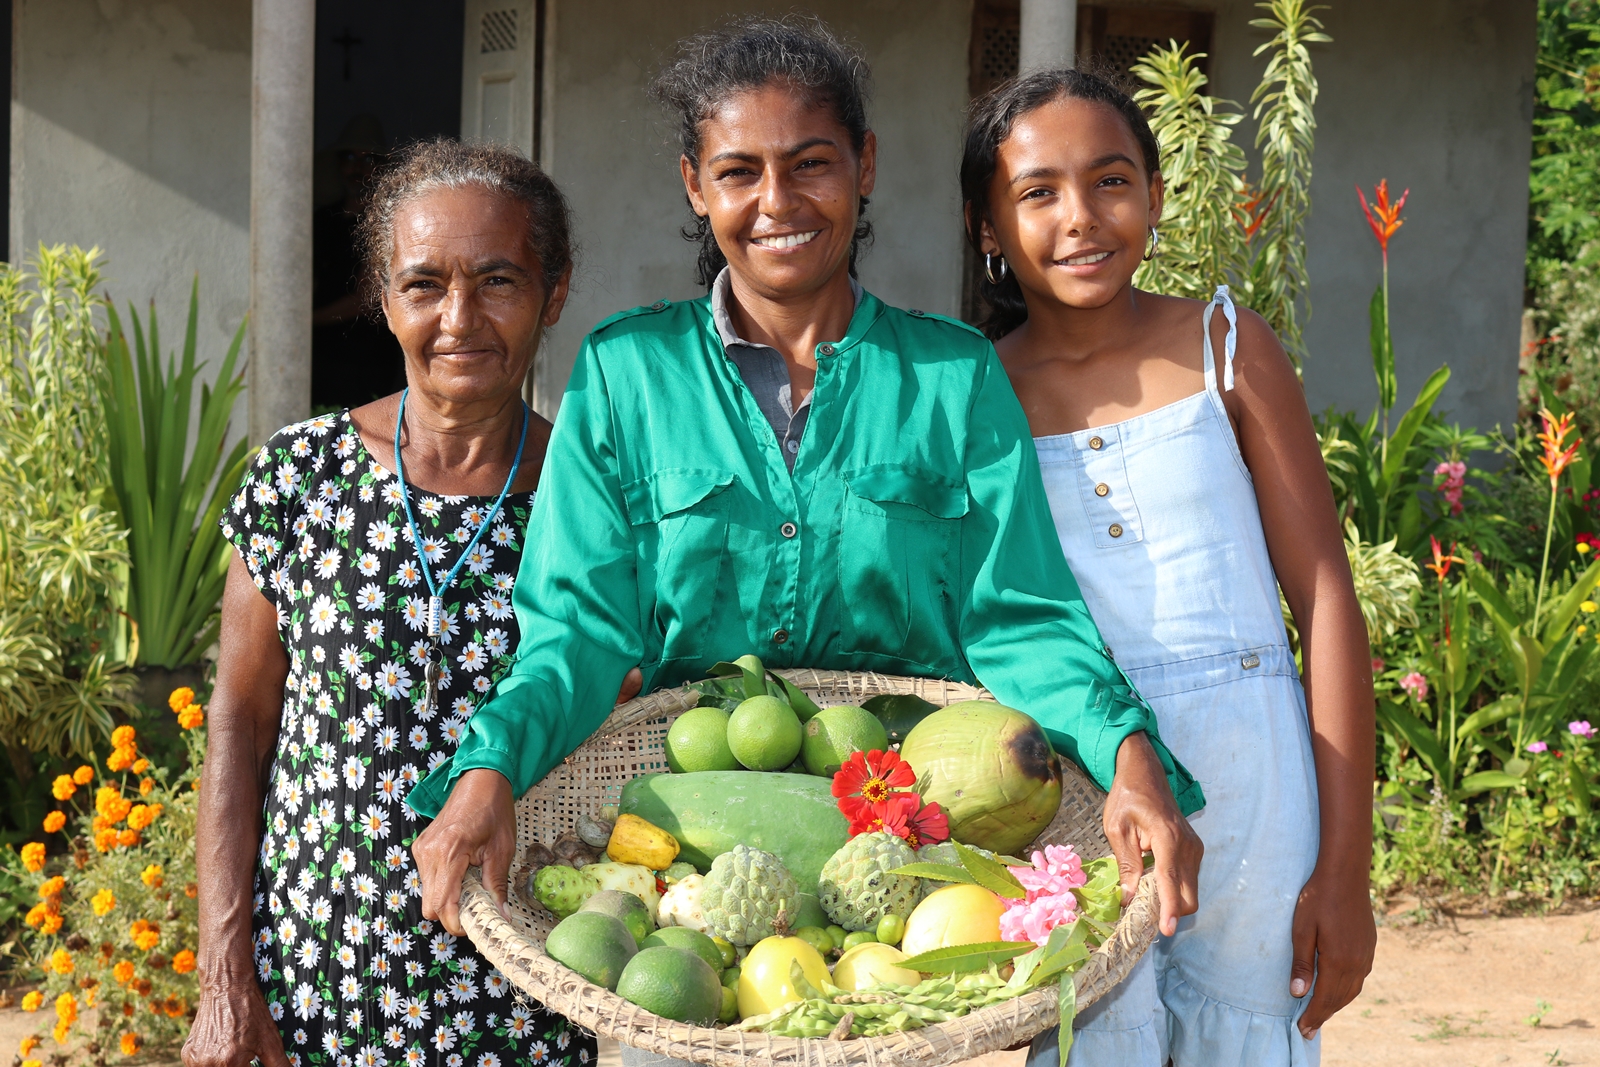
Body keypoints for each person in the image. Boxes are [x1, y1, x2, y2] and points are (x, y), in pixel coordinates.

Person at [409, 15, 1204, 1002]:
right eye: (738, 171)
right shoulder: (627, 372)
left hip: (911, 872)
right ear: (695, 186)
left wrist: (1128, 752)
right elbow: (573, 629)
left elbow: (1020, 615)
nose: (776, 202)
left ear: (864, 166)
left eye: (811, 163)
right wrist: (487, 769)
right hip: (689, 886)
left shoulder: (949, 376)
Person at [183, 141, 631, 1067]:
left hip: (524, 1002)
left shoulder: (596, 503)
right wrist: (225, 976)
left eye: (498, 280)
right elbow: (238, 718)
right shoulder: (301, 477)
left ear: (553, 294)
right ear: (384, 298)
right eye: (424, 283)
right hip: (309, 989)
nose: (458, 318)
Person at [962, 70, 1376, 1065]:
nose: (1080, 218)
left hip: (1257, 785)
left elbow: (1322, 595)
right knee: (1095, 1036)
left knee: (1248, 1038)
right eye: (1037, 193)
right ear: (988, 226)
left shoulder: (1225, 346)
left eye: (1109, 181)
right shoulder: (976, 392)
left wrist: (1345, 869)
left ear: (1152, 190)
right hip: (1082, 781)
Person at [312, 115, 406, 410]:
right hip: (319, 358)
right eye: (350, 158)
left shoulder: (387, 223)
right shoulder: (318, 222)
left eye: (368, 159)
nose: (358, 168)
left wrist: (305, 321)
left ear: (381, 168)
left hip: (370, 359)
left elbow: (365, 298)